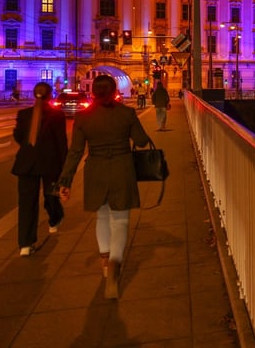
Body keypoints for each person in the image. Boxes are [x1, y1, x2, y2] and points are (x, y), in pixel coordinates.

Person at [57, 74, 151, 299]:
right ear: (114, 91)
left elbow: (76, 152)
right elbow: (141, 141)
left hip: (96, 169)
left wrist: (65, 180)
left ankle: (105, 262)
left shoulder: (83, 117)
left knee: (102, 217)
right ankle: (116, 262)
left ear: (93, 93)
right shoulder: (126, 113)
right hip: (122, 168)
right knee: (121, 220)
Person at [11, 82, 67, 256]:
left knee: (27, 204)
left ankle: (25, 244)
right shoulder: (57, 115)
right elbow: (61, 143)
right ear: (50, 96)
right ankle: (54, 219)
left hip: (26, 164)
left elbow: (19, 137)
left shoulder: (23, 114)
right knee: (51, 195)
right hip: (50, 163)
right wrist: (65, 168)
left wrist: (30, 149)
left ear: (34, 95)